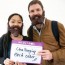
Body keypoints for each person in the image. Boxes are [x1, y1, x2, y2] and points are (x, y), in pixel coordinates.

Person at [27, 0, 65, 65]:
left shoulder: (57, 26)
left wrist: (52, 55)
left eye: (38, 10)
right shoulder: (29, 31)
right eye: (32, 11)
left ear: (43, 11)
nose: (35, 13)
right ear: (29, 15)